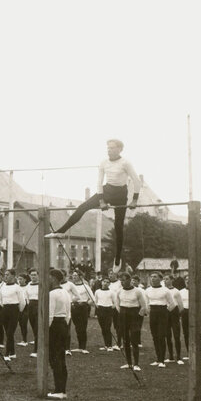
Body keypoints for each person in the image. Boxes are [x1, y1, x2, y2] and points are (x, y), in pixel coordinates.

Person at [45, 139, 141, 273]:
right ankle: (60, 231)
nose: (109, 150)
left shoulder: (126, 163)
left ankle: (118, 257)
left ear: (120, 149)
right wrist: (101, 201)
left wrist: (134, 200)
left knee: (118, 226)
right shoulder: (103, 162)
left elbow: (137, 181)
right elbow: (99, 182)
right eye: (108, 148)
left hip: (120, 194)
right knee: (82, 207)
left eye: (112, 148)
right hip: (107, 191)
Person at [113, 272, 148, 371]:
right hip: (123, 315)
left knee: (134, 340)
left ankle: (136, 364)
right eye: (121, 280)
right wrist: (122, 314)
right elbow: (117, 305)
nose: (122, 282)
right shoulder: (119, 291)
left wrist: (137, 317)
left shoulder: (137, 291)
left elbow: (143, 307)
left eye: (124, 280)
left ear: (129, 280)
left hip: (134, 315)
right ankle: (129, 363)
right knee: (125, 340)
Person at [47, 269, 72, 400]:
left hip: (55, 325)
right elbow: (68, 315)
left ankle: (59, 390)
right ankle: (62, 389)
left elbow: (50, 316)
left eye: (49, 278)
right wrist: (65, 327)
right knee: (61, 358)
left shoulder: (52, 294)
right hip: (63, 324)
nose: (47, 280)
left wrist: (46, 332)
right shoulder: (66, 293)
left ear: (54, 279)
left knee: (55, 358)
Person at [144, 272, 176, 368]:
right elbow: (146, 303)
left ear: (160, 279)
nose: (152, 278)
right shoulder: (148, 290)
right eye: (151, 276)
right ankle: (158, 359)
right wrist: (149, 312)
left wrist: (165, 312)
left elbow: (172, 304)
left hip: (163, 313)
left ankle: (162, 360)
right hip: (153, 313)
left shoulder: (166, 290)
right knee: (155, 336)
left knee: (161, 336)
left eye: (155, 277)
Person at [0, 269, 26, 361]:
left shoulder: (17, 287)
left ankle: (7, 354)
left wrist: (18, 311)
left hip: (14, 311)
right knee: (8, 333)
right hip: (5, 310)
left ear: (13, 276)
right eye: (5, 275)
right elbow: (0, 300)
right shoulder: (2, 287)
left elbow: (22, 302)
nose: (5, 276)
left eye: (8, 275)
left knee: (10, 333)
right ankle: (13, 353)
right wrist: (5, 307)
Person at [69, 271, 94, 354]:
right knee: (77, 327)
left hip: (83, 307)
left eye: (76, 275)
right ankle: (80, 347)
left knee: (83, 327)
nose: (74, 277)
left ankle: (83, 347)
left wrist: (86, 304)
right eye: (73, 275)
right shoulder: (71, 286)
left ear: (80, 276)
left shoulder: (85, 286)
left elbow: (92, 298)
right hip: (74, 307)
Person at [164, 275, 184, 364]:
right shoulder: (163, 290)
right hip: (165, 314)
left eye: (167, 279)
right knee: (167, 335)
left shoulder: (176, 291)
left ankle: (179, 357)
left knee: (176, 335)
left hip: (174, 314)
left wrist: (177, 315)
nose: (165, 280)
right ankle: (171, 356)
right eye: (164, 279)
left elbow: (181, 306)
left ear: (172, 280)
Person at [94, 278, 116, 352]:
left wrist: (112, 307)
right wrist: (97, 305)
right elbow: (95, 301)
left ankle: (110, 345)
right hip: (100, 310)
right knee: (103, 328)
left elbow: (115, 302)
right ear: (101, 282)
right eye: (104, 282)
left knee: (107, 327)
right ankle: (106, 345)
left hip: (108, 310)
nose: (105, 283)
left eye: (107, 282)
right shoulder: (97, 291)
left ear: (109, 284)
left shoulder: (112, 292)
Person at [25, 269, 40, 358]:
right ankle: (38, 343)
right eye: (32, 275)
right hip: (31, 306)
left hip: (39, 305)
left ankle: (36, 350)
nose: (33, 276)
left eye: (35, 275)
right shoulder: (28, 285)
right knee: (34, 327)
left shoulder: (41, 284)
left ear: (38, 275)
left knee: (38, 328)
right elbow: (26, 296)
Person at [16, 273, 31, 347]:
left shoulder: (28, 287)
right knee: (21, 323)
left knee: (24, 323)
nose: (19, 280)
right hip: (18, 306)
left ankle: (25, 340)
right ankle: (24, 339)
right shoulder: (17, 287)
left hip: (26, 307)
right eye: (18, 279)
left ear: (25, 279)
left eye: (21, 279)